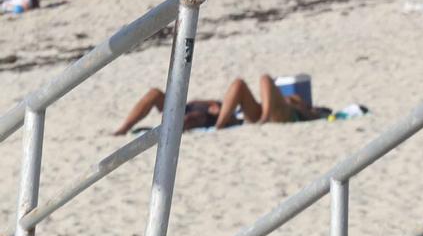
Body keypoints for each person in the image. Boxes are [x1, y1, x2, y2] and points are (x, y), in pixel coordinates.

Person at [113, 74, 329, 134]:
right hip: (255, 112)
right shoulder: (287, 101)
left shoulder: (303, 110)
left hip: (277, 117)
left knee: (263, 79)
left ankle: (219, 126)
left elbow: (314, 117)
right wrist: (210, 104)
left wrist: (302, 107)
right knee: (154, 93)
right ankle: (123, 129)